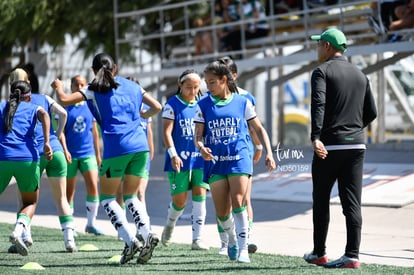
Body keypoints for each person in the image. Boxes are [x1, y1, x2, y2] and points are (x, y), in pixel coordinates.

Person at [51, 53, 162, 265]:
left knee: (108, 198)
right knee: (131, 196)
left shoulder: (93, 88)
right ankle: (147, 233)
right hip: (141, 147)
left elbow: (64, 100)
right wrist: (142, 117)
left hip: (117, 147)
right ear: (116, 68)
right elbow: (157, 107)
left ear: (93, 71)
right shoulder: (133, 86)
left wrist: (57, 86)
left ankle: (130, 240)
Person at [303, 28, 377, 268]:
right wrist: (354, 129)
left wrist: (316, 137)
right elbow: (371, 112)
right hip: (357, 144)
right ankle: (352, 255)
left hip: (329, 145)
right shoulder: (360, 74)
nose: (317, 48)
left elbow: (319, 104)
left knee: (321, 199)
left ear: (326, 46)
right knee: (352, 203)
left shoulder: (321, 71)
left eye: (318, 44)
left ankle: (319, 253)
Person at [194, 59, 276, 263]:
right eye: (206, 82)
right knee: (222, 213)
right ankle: (231, 238)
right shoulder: (202, 105)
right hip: (215, 162)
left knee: (238, 200)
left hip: (239, 158)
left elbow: (259, 128)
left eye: (212, 82)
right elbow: (198, 136)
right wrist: (201, 148)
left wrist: (268, 152)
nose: (208, 86)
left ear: (224, 80)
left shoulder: (243, 101)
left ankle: (243, 250)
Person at [8, 68, 78, 253]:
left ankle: (25, 235)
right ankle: (69, 239)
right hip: (56, 152)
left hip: (33, 155)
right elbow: (63, 113)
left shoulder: (10, 105)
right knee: (62, 198)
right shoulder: (44, 98)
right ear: (28, 83)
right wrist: (57, 134)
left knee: (24, 199)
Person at [215, 57, 263, 256]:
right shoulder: (211, 98)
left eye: (226, 73)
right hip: (218, 155)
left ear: (234, 75)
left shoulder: (246, 97)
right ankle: (226, 242)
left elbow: (253, 126)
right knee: (222, 204)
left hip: (241, 154)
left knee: (243, 199)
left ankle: (246, 238)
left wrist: (259, 146)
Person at [0, 80, 52, 256]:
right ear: (29, 96)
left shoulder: (2, 106)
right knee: (30, 202)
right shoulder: (33, 107)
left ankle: (19, 231)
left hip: (3, 157)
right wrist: (47, 142)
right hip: (27, 159)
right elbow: (45, 114)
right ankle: (18, 229)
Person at [160, 69, 210, 251]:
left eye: (196, 87)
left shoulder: (202, 104)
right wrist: (173, 154)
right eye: (189, 87)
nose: (193, 91)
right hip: (178, 161)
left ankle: (197, 239)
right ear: (180, 85)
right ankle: (170, 224)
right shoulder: (171, 104)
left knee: (200, 197)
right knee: (180, 202)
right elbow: (166, 132)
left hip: (199, 160)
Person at [59, 75, 103, 236]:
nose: (79, 87)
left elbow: (94, 133)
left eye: (82, 84)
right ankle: (70, 226)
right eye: (76, 84)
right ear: (71, 87)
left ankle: (91, 224)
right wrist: (65, 151)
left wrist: (98, 155)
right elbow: (61, 132)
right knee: (70, 191)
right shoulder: (65, 107)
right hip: (70, 155)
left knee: (93, 185)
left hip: (88, 154)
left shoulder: (90, 106)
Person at [115, 76, 155, 242]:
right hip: (123, 154)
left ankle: (144, 229)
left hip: (141, 155)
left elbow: (149, 131)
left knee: (140, 192)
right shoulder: (120, 108)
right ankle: (122, 227)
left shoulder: (146, 108)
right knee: (121, 193)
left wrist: (151, 150)